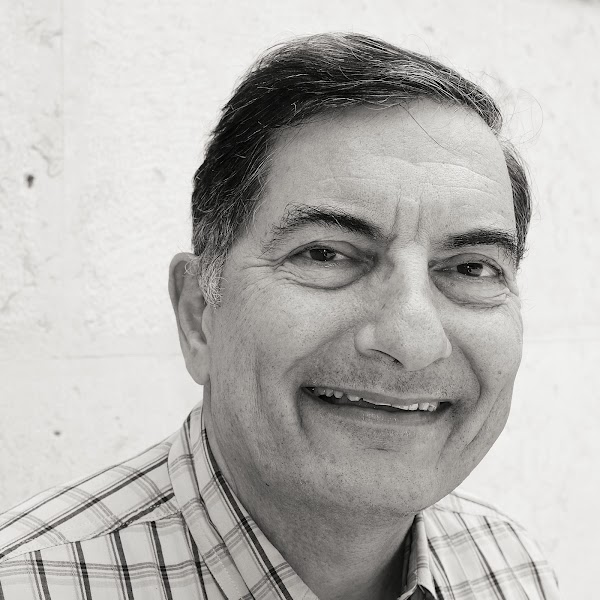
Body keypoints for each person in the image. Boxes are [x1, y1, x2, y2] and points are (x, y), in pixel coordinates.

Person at [0, 33, 559, 600]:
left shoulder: (511, 568)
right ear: (198, 314)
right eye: (325, 254)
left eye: (471, 268)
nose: (412, 340)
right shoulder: (27, 583)